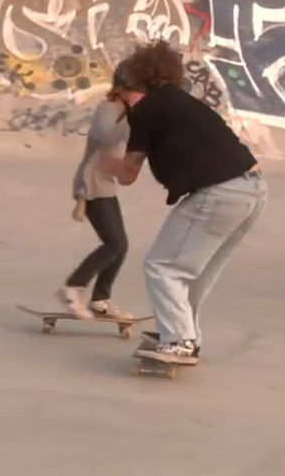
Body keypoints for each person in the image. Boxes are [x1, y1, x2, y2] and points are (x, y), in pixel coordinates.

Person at [99, 40, 267, 365]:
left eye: (123, 97)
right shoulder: (179, 101)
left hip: (220, 192)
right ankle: (181, 333)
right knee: (195, 271)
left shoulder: (147, 109)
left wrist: (107, 165)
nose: (125, 106)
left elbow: (129, 174)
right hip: (254, 188)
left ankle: (179, 340)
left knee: (163, 266)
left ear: (136, 87)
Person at [58, 63, 133, 321]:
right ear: (123, 89)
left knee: (120, 245)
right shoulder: (108, 109)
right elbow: (106, 136)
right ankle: (73, 287)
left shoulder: (125, 111)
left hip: (106, 182)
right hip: (92, 183)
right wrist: (133, 120)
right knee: (114, 243)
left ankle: (101, 299)